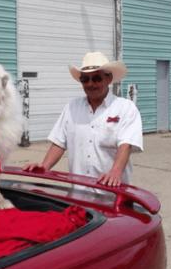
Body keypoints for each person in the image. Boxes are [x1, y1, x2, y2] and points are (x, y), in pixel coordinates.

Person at [23, 51, 143, 187]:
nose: (90, 84)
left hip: (112, 193)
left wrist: (115, 171)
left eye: (97, 78)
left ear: (108, 79)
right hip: (79, 194)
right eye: (85, 79)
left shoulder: (125, 108)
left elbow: (126, 144)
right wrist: (44, 166)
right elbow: (59, 142)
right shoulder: (72, 107)